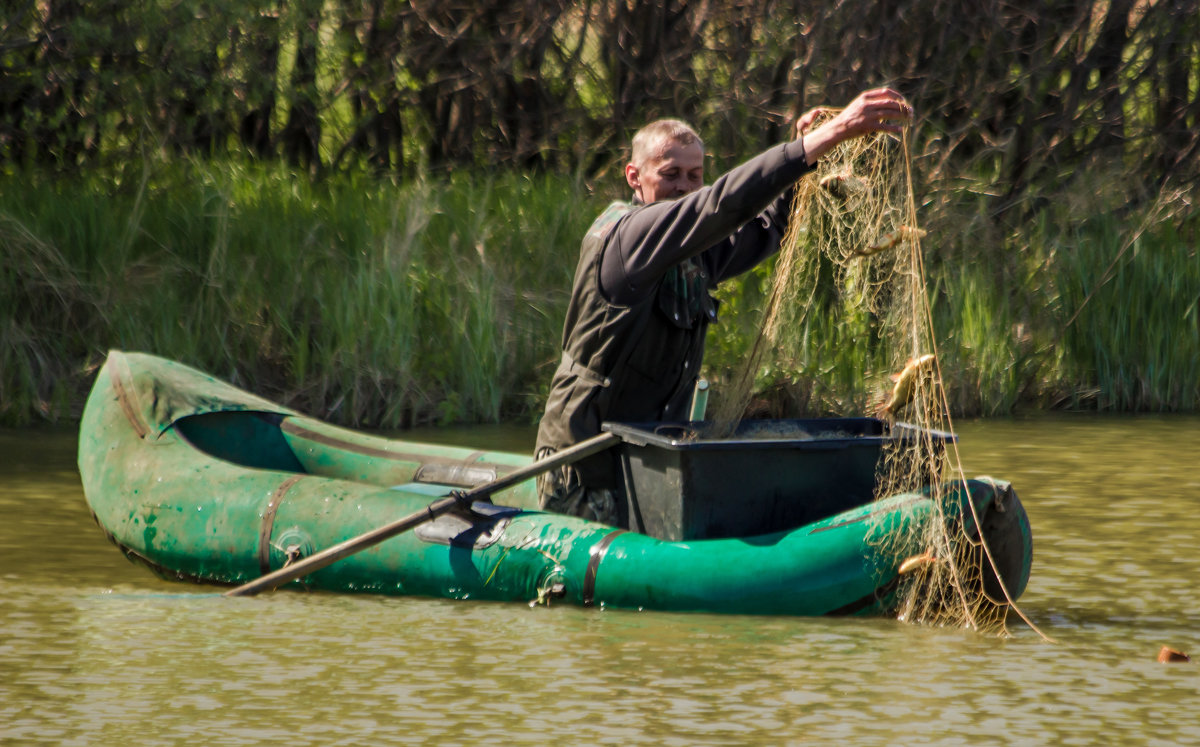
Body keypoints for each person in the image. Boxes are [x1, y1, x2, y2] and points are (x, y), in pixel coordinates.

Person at [534, 87, 913, 525]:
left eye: (694, 176)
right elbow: (720, 206)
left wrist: (806, 164)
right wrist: (823, 138)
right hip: (584, 470)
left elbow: (760, 225)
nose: (683, 187)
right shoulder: (629, 238)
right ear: (634, 176)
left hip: (645, 466)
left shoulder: (690, 253)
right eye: (670, 173)